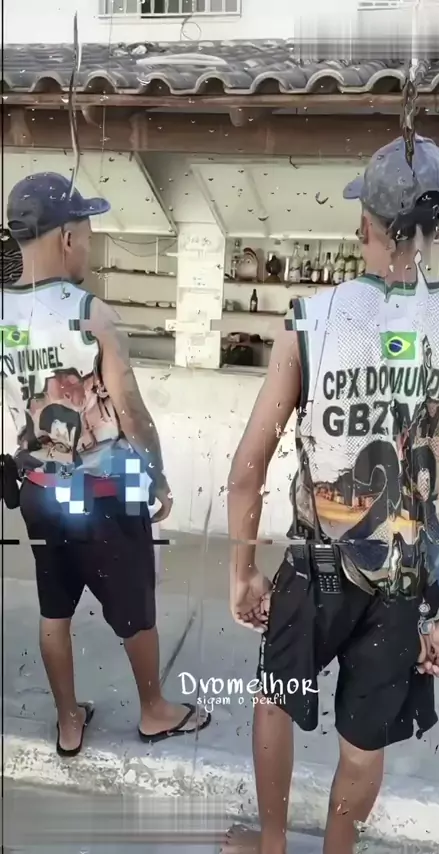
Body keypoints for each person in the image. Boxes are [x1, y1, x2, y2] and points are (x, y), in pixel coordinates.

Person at [225, 137, 439, 854]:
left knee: (275, 701)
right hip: (406, 584)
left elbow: (247, 469)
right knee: (364, 744)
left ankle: (272, 845)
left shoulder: (311, 320)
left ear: (364, 224)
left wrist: (242, 571)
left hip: (314, 570)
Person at [2, 172, 210, 757]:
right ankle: (154, 710)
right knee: (134, 606)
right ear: (67, 237)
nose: (89, 246)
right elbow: (132, 412)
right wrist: (157, 477)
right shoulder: (90, 313)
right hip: (103, 493)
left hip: (38, 488)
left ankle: (69, 721)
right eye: (88, 234)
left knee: (54, 608)